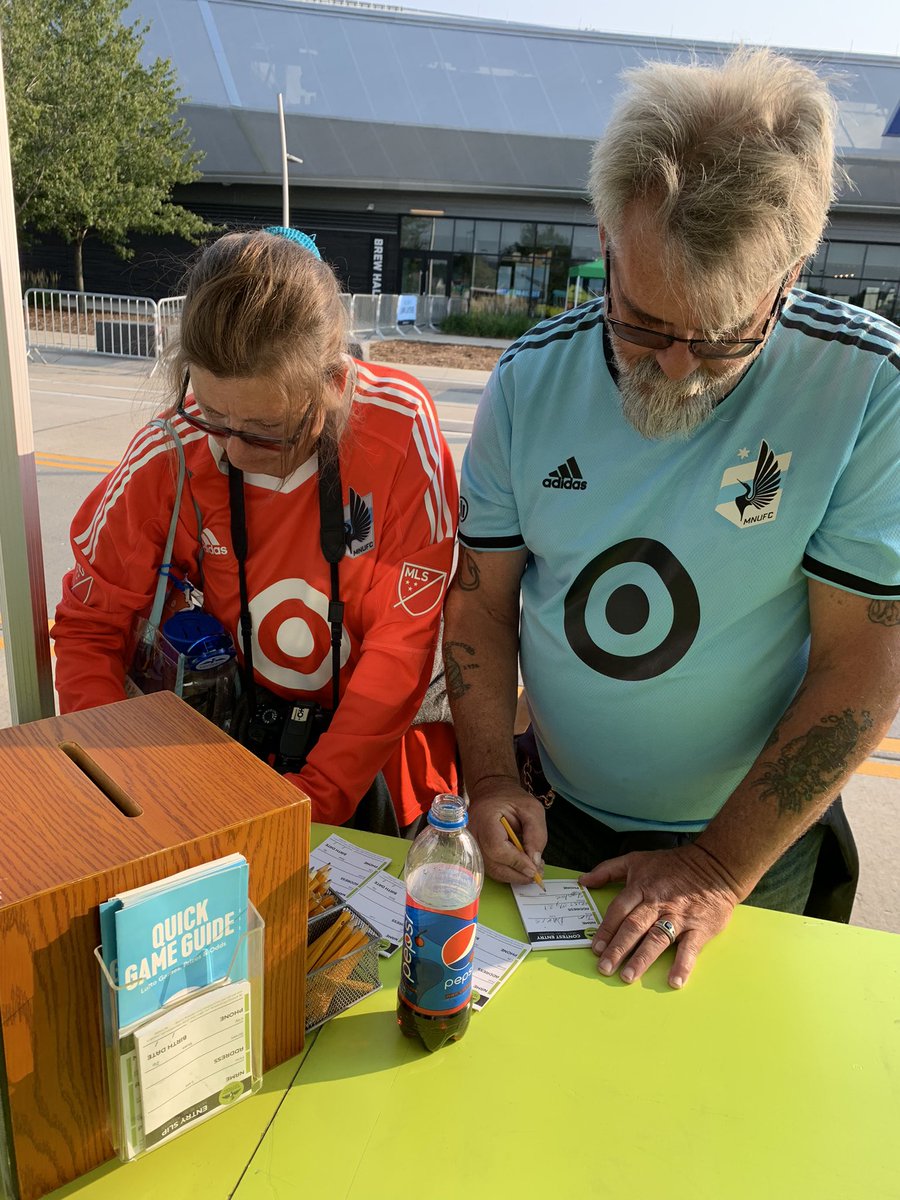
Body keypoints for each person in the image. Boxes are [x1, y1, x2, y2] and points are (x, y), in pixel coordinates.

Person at [444, 49, 900, 988]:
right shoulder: (528, 382)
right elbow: (481, 602)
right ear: (607, 238)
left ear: (791, 274)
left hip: (750, 842)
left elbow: (867, 659)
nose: (679, 366)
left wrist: (717, 868)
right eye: (643, 322)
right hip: (552, 810)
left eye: (724, 336)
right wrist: (489, 777)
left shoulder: (866, 388)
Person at [53, 228, 458, 833]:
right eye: (213, 414)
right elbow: (89, 628)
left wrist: (314, 801)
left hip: (380, 756)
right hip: (229, 745)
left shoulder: (399, 430)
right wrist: (119, 788)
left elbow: (401, 648)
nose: (233, 453)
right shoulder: (172, 450)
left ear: (335, 384)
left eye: (268, 430)